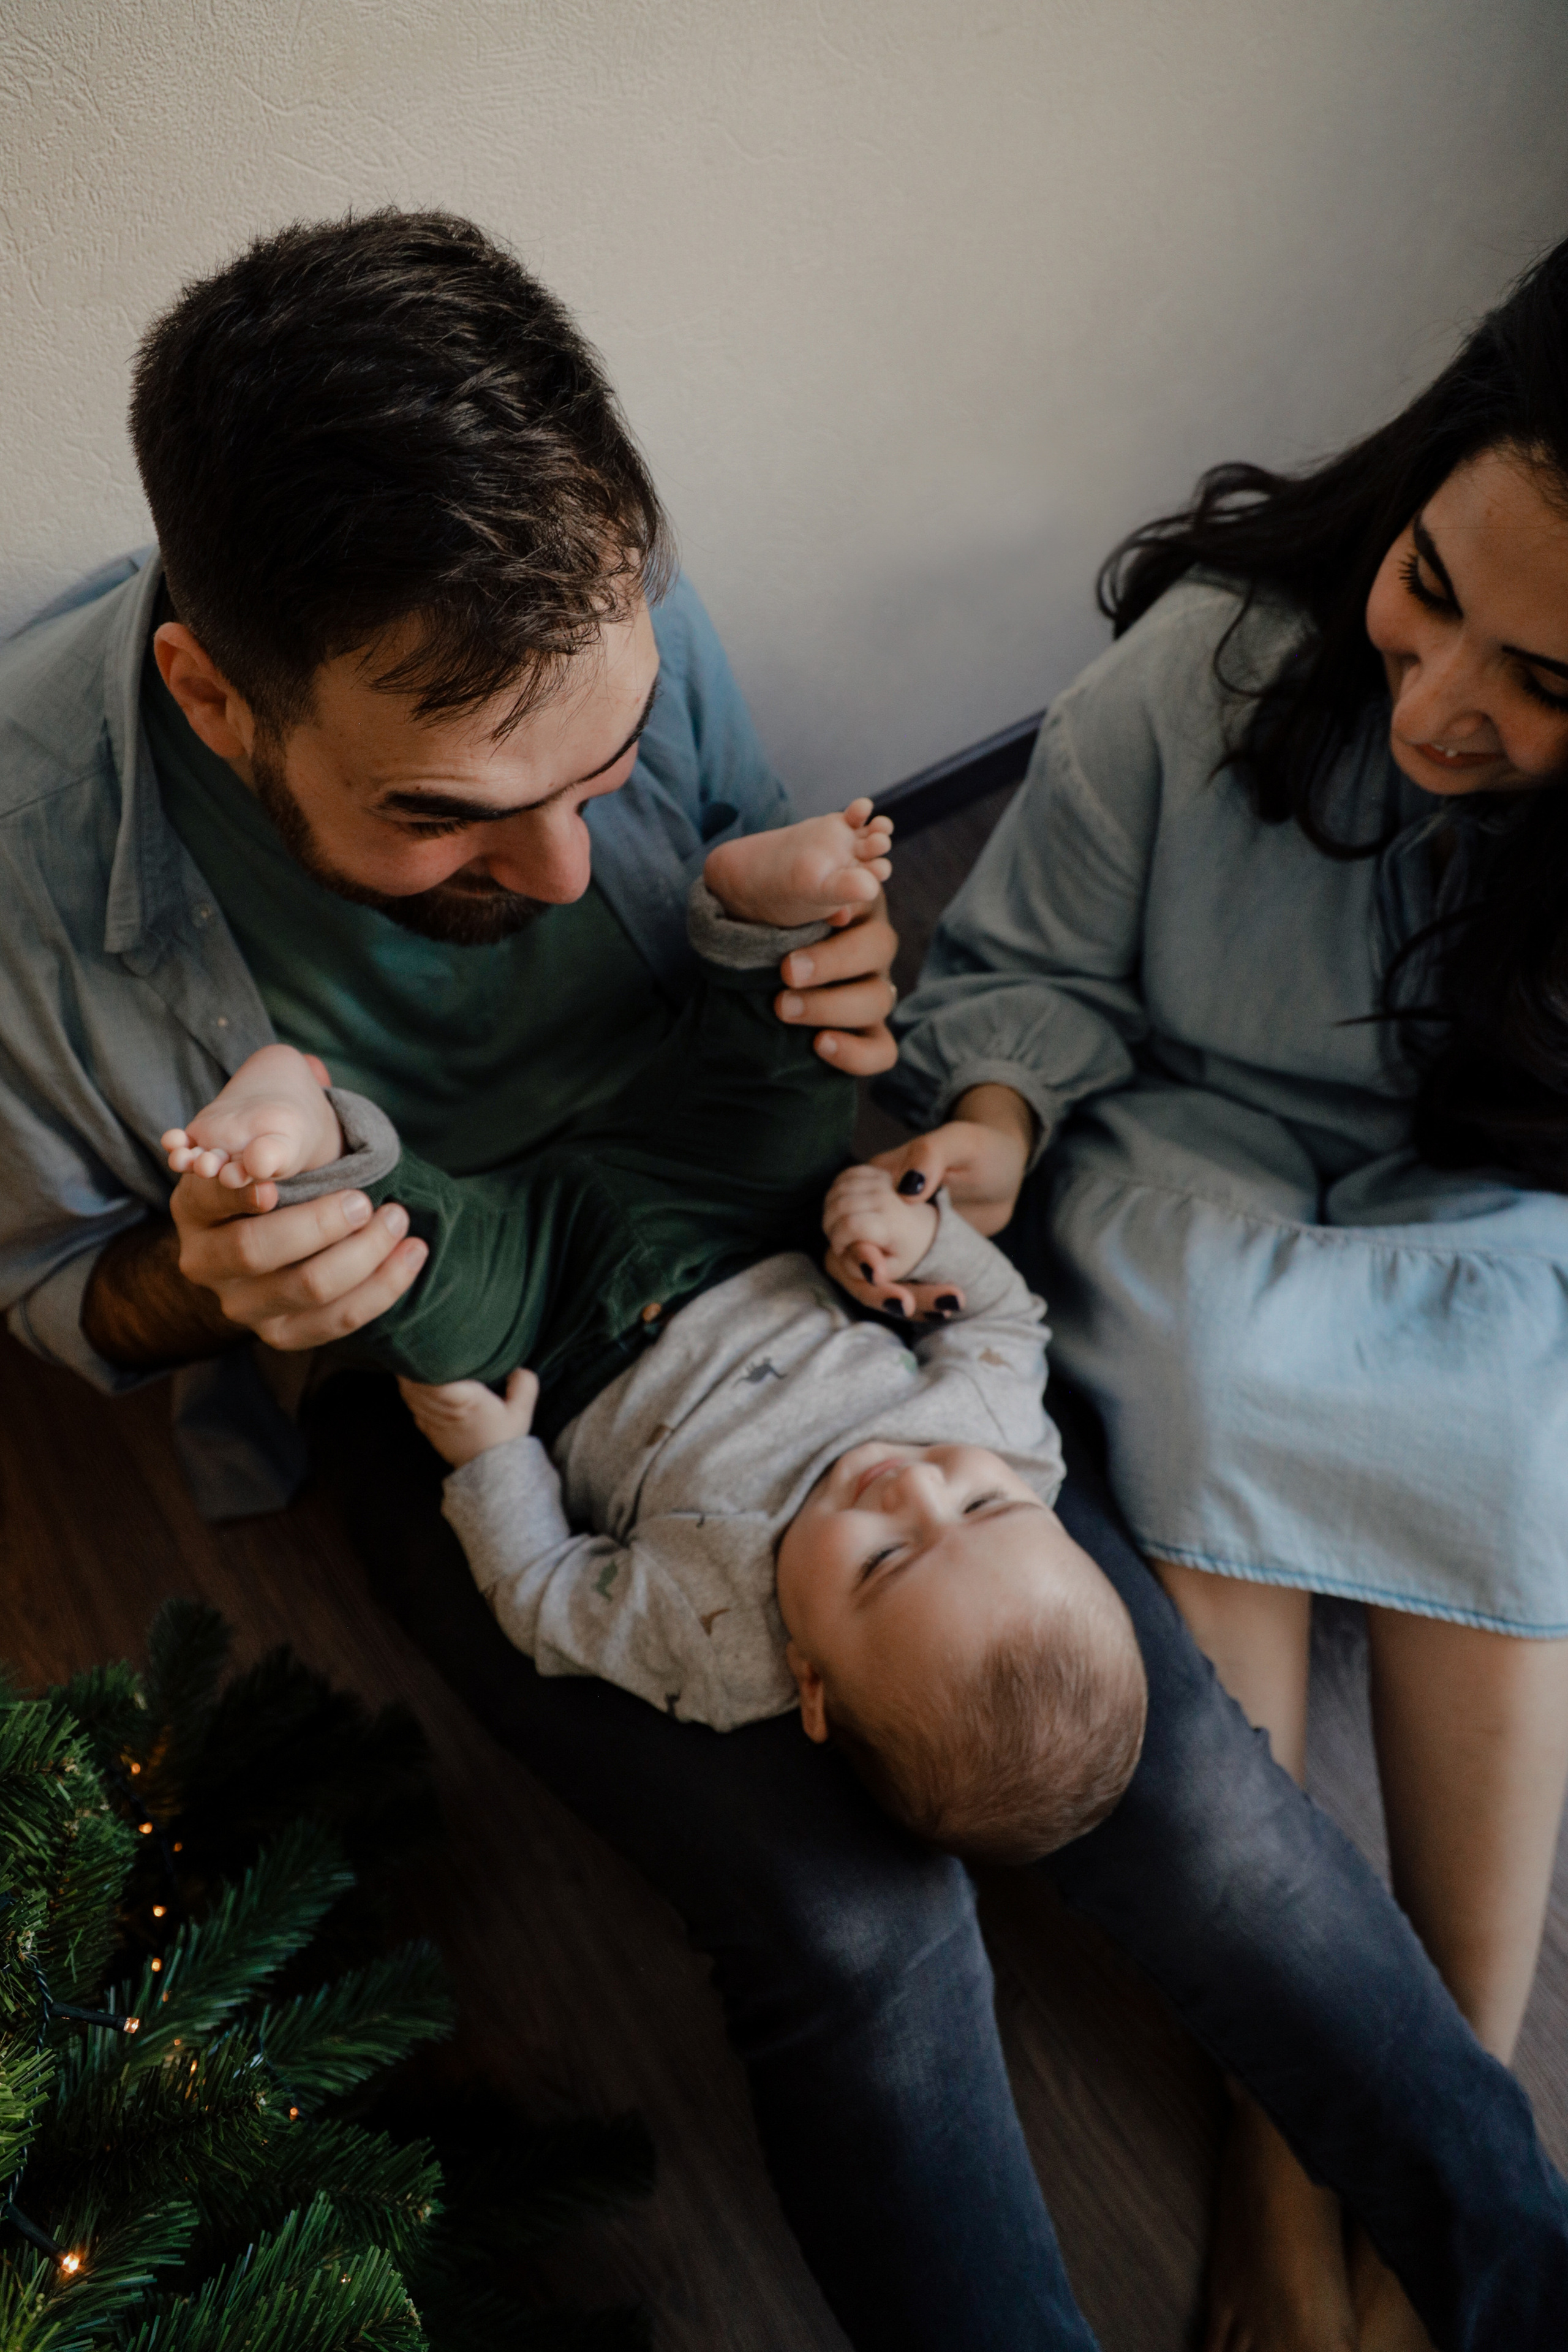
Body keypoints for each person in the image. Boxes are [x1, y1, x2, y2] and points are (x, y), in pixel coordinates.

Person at [2, 209, 1566, 2350]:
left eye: (606, 768)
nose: (563, 871)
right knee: (856, 1935)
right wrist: (213, 1286)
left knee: (1180, 1769)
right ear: (210, 692)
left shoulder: (602, 594)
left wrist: (826, 967)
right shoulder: (28, 871)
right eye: (458, 818)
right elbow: (66, 1299)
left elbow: (769, 918)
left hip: (757, 1226)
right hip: (479, 1378)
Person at [874, 235, 1568, 2350]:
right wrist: (989, 1123)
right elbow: (1023, 979)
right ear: (1418, 477)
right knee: (1217, 1370)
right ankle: (1293, 2175)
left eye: (1555, 687)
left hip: (1488, 1187)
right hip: (1184, 1141)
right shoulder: (1207, 660)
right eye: (1433, 593)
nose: (1447, 706)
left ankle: (1444, 2121)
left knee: (1509, 1425)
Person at [159, 802, 1147, 1860]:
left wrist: (492, 1460)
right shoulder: (1006, 1431)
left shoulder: (717, 1658)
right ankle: (762, 920)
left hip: (555, 1325)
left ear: (808, 1682)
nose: (912, 1487)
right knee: (795, 1089)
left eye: (884, 1561)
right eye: (985, 1504)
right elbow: (1002, 1315)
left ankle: (309, 1137)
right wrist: (918, 1234)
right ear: (1039, 1500)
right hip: (736, 1218)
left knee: (422, 1308)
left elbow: (547, 1596)